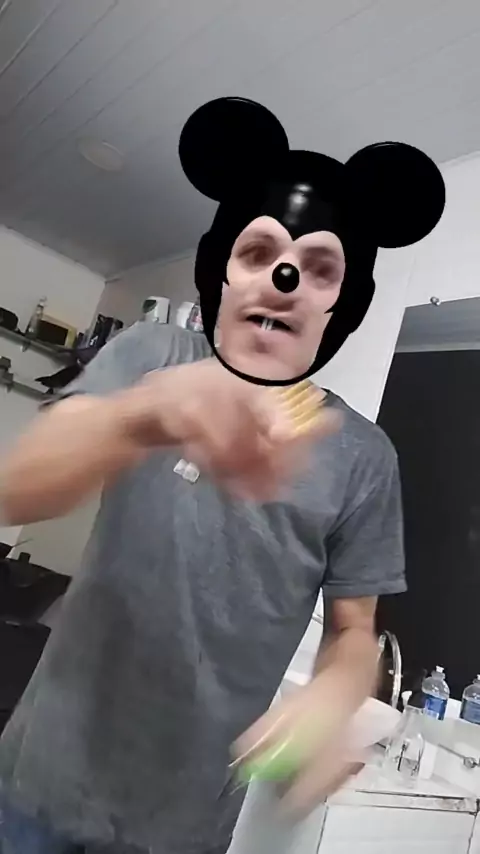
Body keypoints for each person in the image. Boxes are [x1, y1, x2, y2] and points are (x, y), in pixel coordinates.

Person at [0, 97, 445, 854]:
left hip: (183, 825)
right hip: (35, 785)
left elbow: (353, 632)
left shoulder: (365, 457)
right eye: (259, 252)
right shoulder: (151, 354)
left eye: (320, 269)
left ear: (342, 304)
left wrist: (336, 696)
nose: (283, 278)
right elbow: (19, 488)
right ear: (223, 272)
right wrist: (139, 416)